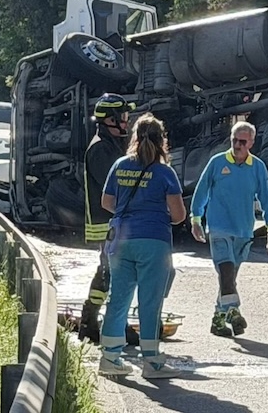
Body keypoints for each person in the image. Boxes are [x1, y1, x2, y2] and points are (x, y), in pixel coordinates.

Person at [98, 113, 186, 378]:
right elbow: (179, 214)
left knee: (118, 298)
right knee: (149, 301)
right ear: (162, 141)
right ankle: (152, 363)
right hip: (153, 240)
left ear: (135, 138)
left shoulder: (120, 165)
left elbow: (107, 202)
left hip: (121, 240)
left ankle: (110, 358)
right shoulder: (164, 172)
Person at [190, 121, 268, 337]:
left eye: (242, 142)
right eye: (234, 141)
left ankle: (218, 321)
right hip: (219, 228)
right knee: (226, 271)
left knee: (228, 279)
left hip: (243, 231)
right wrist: (196, 219)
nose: (237, 146)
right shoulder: (217, 163)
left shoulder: (257, 167)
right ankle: (234, 311)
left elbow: (267, 199)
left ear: (251, 142)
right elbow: (201, 192)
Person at [78, 93, 134, 344]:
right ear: (109, 119)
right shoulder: (101, 148)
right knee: (115, 273)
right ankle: (108, 324)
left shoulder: (109, 144)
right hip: (107, 223)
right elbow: (114, 186)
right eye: (122, 117)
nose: (126, 122)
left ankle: (90, 321)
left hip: (112, 222)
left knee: (107, 273)